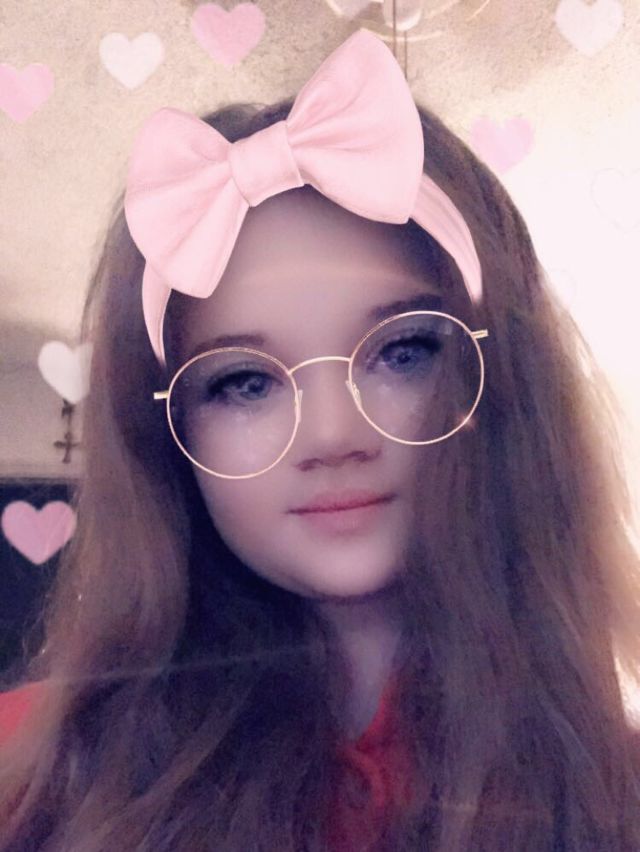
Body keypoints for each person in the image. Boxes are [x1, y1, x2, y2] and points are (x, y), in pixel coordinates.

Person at [1, 27, 640, 852]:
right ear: (165, 434)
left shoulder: (618, 793)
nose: (333, 435)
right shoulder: (32, 782)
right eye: (244, 382)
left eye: (403, 352)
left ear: (507, 386)